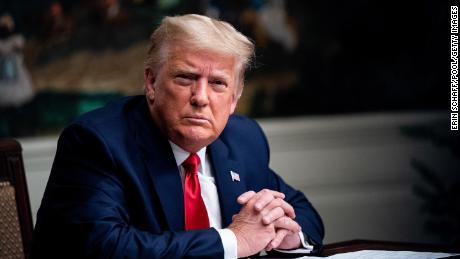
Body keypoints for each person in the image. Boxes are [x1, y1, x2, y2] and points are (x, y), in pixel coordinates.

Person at [31, 14, 324, 258]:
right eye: (186, 77)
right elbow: (104, 247)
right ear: (151, 82)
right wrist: (234, 241)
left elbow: (301, 210)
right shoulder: (98, 142)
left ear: (234, 99)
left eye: (218, 84)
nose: (201, 98)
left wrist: (285, 235)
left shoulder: (243, 139)